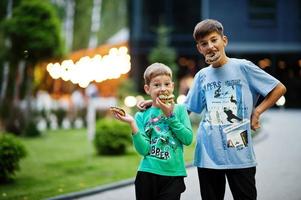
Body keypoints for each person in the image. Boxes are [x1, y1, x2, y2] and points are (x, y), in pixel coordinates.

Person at [138, 19, 287, 200]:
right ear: (199, 48)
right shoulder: (202, 76)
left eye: (214, 40)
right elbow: (186, 109)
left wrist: (257, 112)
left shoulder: (243, 67)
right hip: (208, 155)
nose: (210, 46)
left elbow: (279, 88)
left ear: (224, 40)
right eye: (204, 43)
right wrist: (154, 104)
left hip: (240, 152)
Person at [111, 62, 193, 200]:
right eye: (156, 85)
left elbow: (188, 139)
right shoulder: (141, 116)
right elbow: (144, 150)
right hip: (147, 173)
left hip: (173, 175)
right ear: (147, 89)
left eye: (167, 84)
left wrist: (170, 116)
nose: (162, 88)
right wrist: (132, 124)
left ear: (172, 86)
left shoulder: (179, 110)